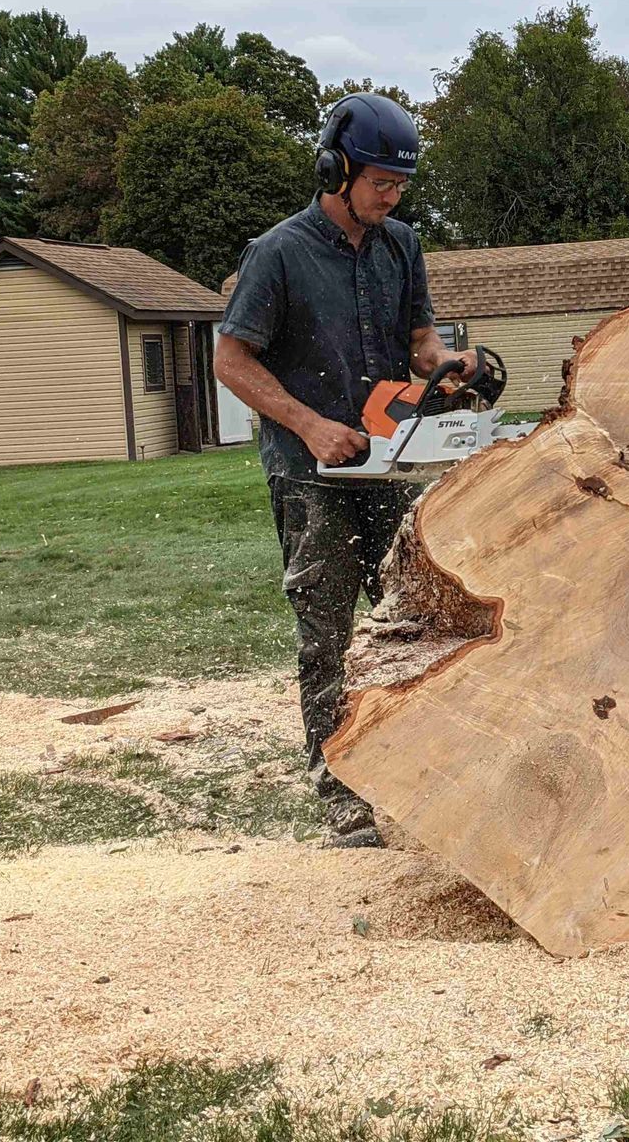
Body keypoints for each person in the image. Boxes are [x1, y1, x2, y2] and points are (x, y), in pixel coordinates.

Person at [215, 92, 475, 848]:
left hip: (389, 460)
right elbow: (231, 360)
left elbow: (420, 338)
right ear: (336, 169)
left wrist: (445, 365)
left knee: (416, 614)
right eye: (380, 184)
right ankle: (341, 790)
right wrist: (308, 423)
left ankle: (417, 763)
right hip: (310, 469)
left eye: (400, 186)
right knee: (327, 627)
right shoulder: (279, 253)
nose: (391, 198)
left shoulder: (400, 244)